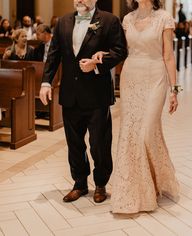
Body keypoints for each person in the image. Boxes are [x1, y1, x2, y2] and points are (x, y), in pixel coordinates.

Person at [39, 0, 127, 204]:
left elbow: (120, 50)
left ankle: (101, 184)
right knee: (74, 143)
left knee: (99, 143)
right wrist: (45, 82)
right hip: (70, 94)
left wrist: (97, 64)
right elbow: (54, 55)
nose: (80, 0)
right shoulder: (63, 22)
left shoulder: (109, 20)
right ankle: (79, 183)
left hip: (97, 95)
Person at [110, 0, 180, 214]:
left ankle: (156, 177)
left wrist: (174, 89)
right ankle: (135, 187)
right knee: (130, 132)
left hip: (155, 76)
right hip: (131, 76)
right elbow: (121, 51)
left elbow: (168, 55)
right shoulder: (127, 19)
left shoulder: (164, 18)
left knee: (147, 133)